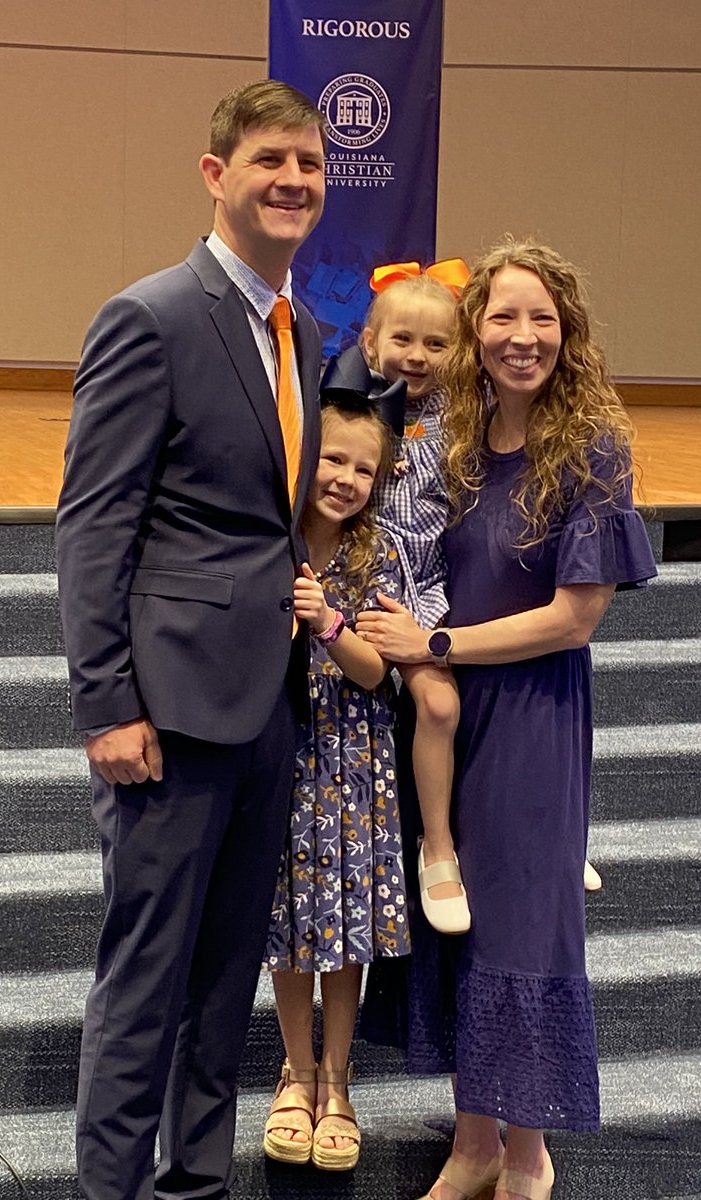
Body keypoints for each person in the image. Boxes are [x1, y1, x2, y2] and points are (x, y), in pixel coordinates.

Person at [55, 79, 326, 1200]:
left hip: (269, 704)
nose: (295, 181)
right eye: (273, 160)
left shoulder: (302, 327)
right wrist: (106, 705)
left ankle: (195, 1187)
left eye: (311, 164)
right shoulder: (151, 316)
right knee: (149, 978)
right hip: (166, 713)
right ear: (217, 174)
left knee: (223, 986)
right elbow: (94, 524)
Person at [358, 237, 657, 1200]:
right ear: (471, 333)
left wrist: (435, 650)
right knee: (464, 930)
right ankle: (473, 1142)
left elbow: (577, 618)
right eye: (501, 317)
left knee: (526, 929)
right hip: (450, 716)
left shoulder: (593, 448)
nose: (521, 336)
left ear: (567, 331)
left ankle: (528, 1156)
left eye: (542, 318)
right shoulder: (450, 437)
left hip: (531, 712)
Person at [262, 387, 408, 1172]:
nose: (346, 478)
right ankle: (294, 1071)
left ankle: (339, 1080)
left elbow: (377, 671)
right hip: (282, 751)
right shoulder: (269, 540)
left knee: (345, 925)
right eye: (332, 458)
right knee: (289, 925)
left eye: (363, 468)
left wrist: (328, 623)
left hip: (351, 761)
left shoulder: (375, 553)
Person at [360, 264, 472, 934]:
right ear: (371, 342)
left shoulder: (463, 419)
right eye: (403, 338)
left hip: (435, 585)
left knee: (480, 693)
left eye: (437, 344)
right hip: (376, 584)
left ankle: (486, 837)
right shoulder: (347, 408)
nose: (417, 356)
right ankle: (436, 844)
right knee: (433, 700)